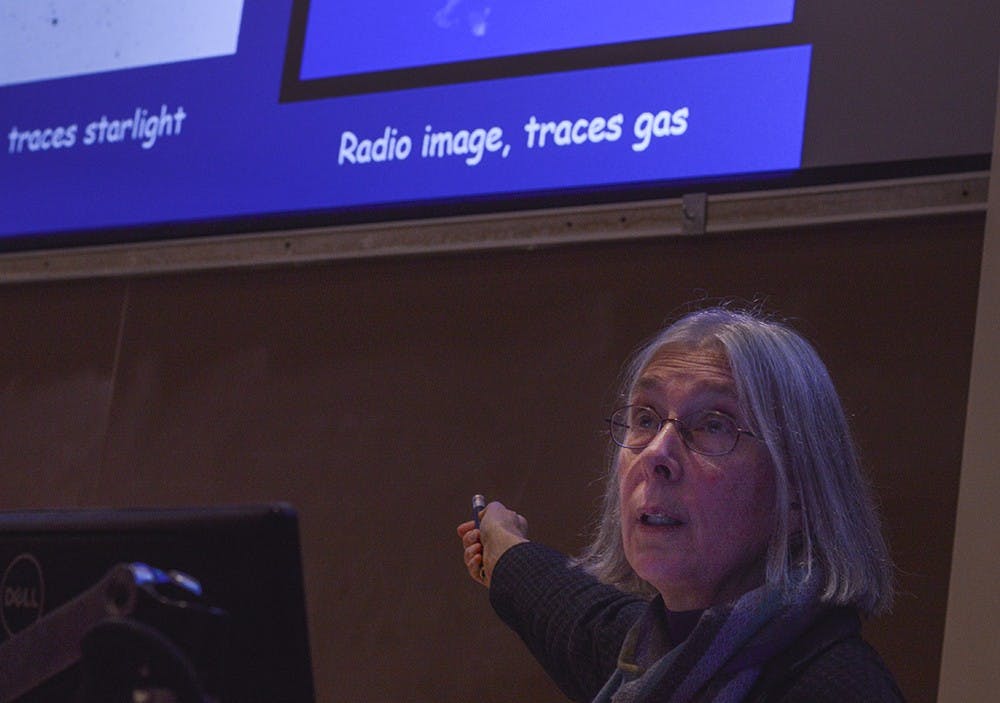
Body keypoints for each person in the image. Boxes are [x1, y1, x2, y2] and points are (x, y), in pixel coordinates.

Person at [457, 306, 904, 702]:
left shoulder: (836, 687)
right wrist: (501, 542)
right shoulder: (657, 654)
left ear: (797, 495)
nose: (656, 453)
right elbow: (560, 603)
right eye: (645, 418)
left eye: (713, 425)